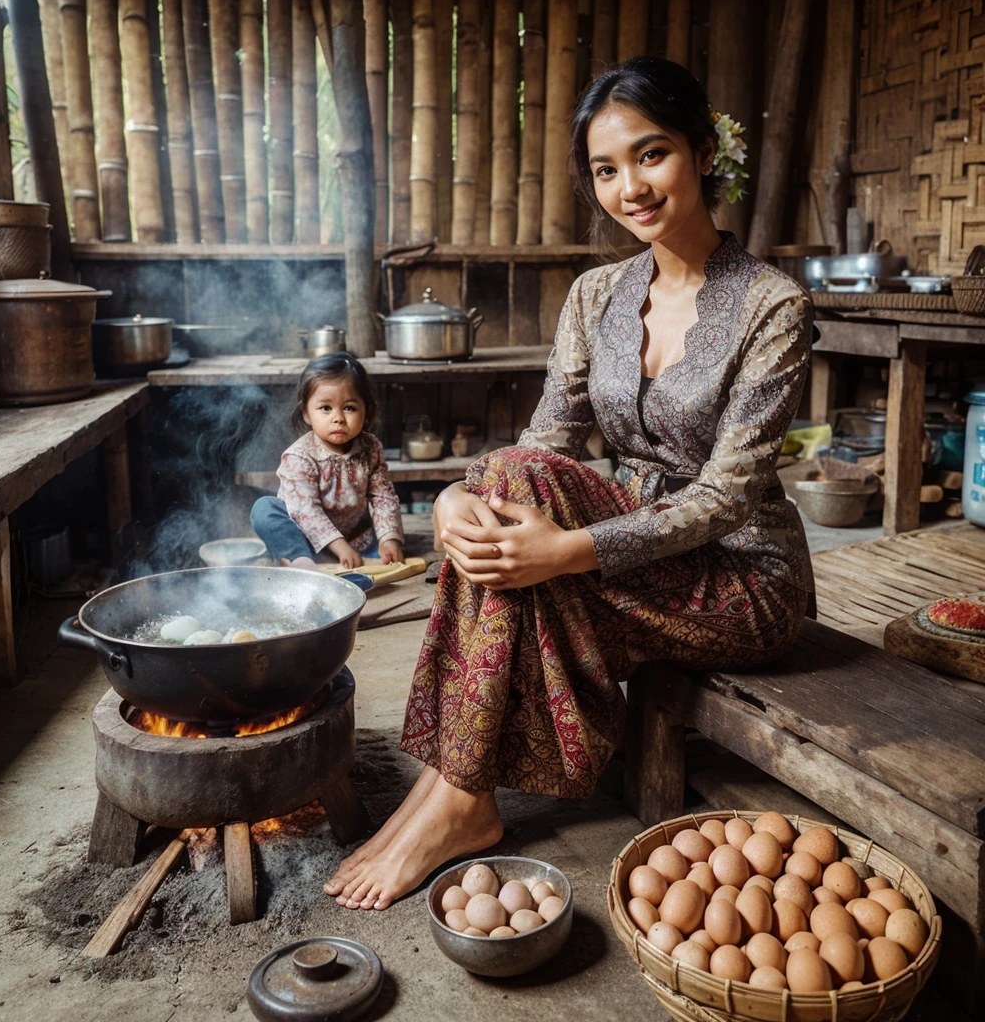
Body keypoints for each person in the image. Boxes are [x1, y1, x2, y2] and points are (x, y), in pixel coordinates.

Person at [324, 56, 814, 911]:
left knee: (532, 546)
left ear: (703, 152)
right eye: (606, 169)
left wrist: (570, 550)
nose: (631, 187)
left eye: (651, 154)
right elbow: (544, 441)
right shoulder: (596, 295)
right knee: (509, 484)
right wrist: (451, 498)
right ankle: (455, 794)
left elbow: (728, 496)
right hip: (634, 549)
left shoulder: (774, 305)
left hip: (739, 575)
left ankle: (455, 798)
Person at [251, 351, 405, 569]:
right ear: (306, 413)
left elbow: (383, 498)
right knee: (264, 509)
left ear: (366, 411)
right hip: (307, 537)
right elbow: (306, 511)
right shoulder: (300, 456)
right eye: (325, 408)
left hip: (356, 538)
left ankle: (355, 555)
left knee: (391, 546)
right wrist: (340, 547)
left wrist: (389, 539)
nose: (338, 419)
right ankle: (299, 560)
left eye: (349, 408)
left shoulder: (370, 449)